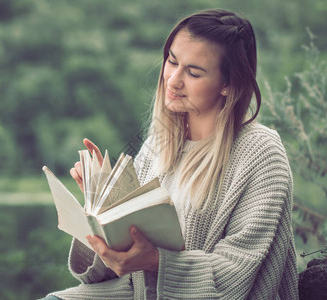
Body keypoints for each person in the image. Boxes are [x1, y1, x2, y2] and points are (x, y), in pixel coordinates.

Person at [40, 8, 298, 300]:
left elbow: (236, 275)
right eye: (172, 61)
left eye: (193, 72)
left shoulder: (261, 152)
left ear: (228, 84)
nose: (173, 80)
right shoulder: (157, 144)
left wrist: (155, 261)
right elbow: (122, 267)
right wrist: (102, 207)